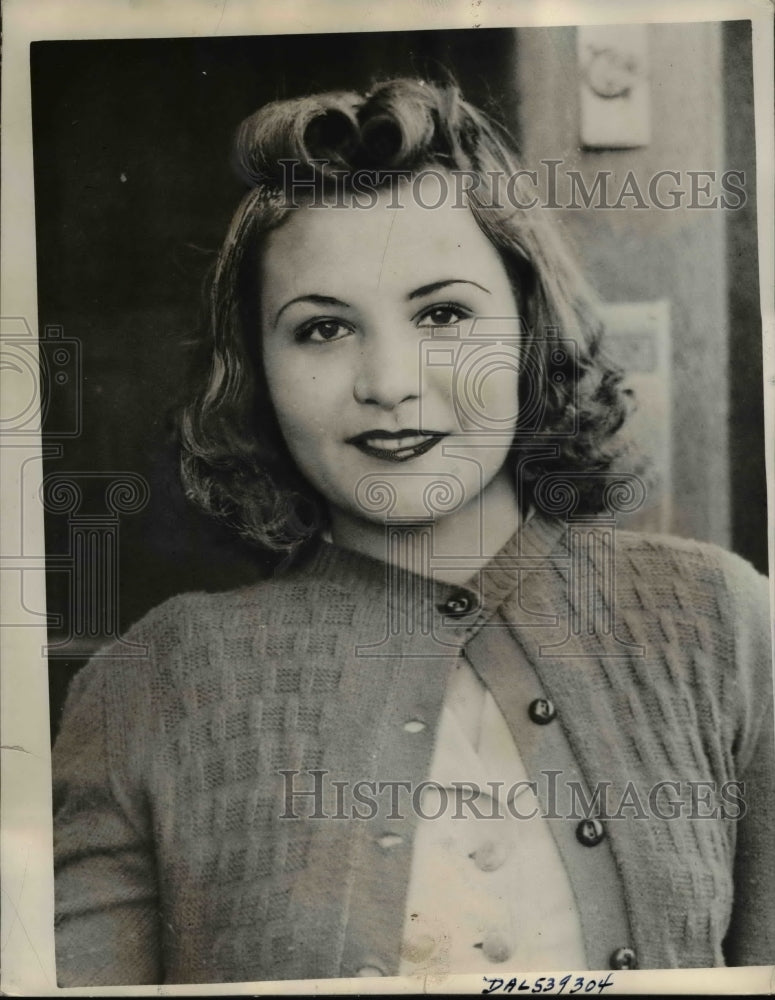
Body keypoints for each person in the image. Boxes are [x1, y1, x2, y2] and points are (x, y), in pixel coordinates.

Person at [52, 77, 775, 986]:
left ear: (528, 330)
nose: (388, 380)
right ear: (258, 370)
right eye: (320, 329)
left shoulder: (726, 626)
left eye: (443, 315)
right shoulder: (145, 687)